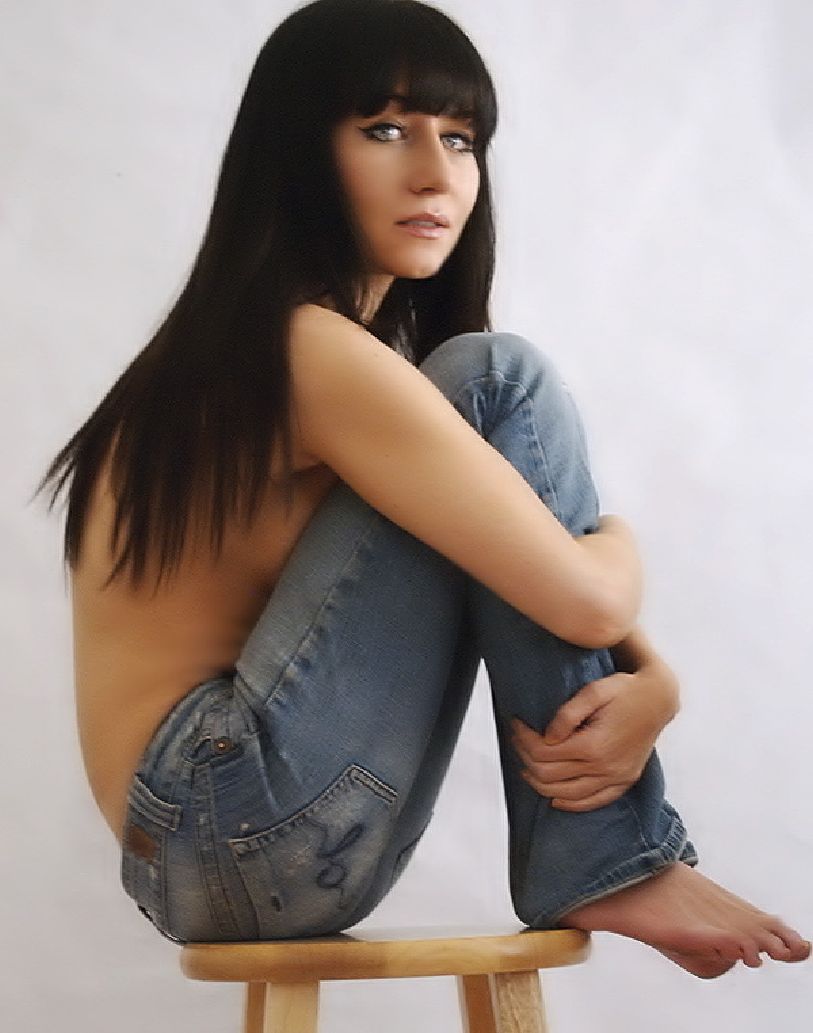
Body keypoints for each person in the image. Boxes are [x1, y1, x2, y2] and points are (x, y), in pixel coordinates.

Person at [38, 0, 809, 979]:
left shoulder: (278, 354)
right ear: (295, 153)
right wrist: (621, 540)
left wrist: (652, 677)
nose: (437, 174)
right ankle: (607, 854)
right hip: (233, 816)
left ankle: (605, 853)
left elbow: (524, 561)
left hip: (232, 844)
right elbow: (587, 597)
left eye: (461, 139)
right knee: (496, 377)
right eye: (385, 129)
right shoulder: (305, 352)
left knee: (481, 400)